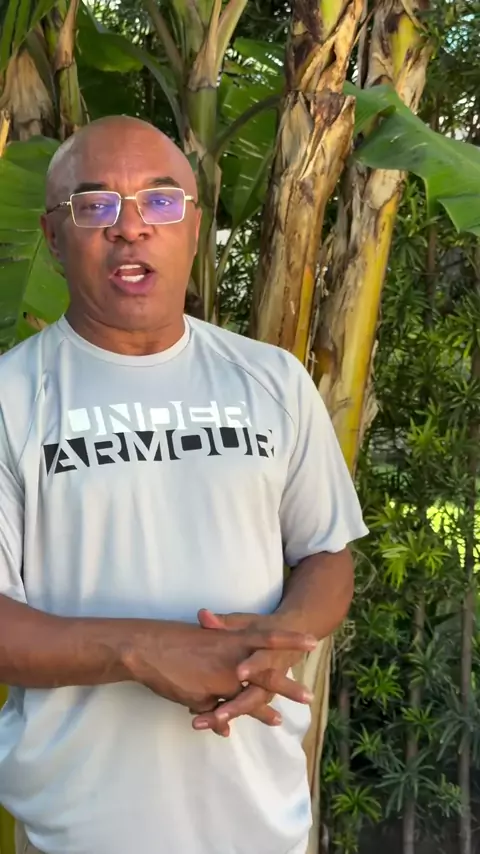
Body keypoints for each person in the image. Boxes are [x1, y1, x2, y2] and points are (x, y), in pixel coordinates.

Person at [0, 115, 368, 854]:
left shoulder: (271, 381)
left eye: (161, 201)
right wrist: (140, 650)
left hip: (261, 819)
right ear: (53, 236)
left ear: (194, 228)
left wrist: (275, 644)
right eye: (95, 205)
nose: (131, 227)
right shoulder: (12, 398)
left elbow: (327, 554)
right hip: (82, 828)